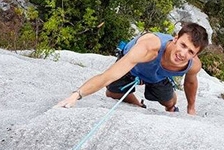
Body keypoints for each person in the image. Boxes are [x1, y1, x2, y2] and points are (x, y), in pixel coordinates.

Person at [56, 23, 209, 115]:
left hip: (158, 76)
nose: (183, 54)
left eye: (191, 52)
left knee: (168, 101)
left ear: (196, 55)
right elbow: (108, 76)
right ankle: (137, 104)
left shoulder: (193, 64)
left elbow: (190, 83)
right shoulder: (149, 48)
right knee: (113, 92)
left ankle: (171, 107)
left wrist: (191, 108)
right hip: (134, 68)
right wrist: (76, 95)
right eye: (183, 45)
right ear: (175, 39)